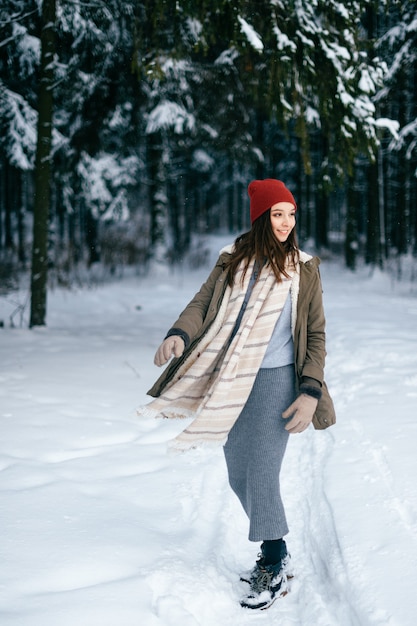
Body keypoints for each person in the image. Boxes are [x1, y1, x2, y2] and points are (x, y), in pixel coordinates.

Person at [141, 178, 335, 611]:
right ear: (261, 217)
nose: (286, 223)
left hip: (277, 380)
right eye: (277, 214)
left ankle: (273, 558)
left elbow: (317, 335)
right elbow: (202, 302)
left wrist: (309, 390)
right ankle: (275, 549)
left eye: (291, 213)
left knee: (262, 471)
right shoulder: (233, 261)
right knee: (238, 471)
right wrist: (178, 333)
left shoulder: (303, 267)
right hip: (231, 377)